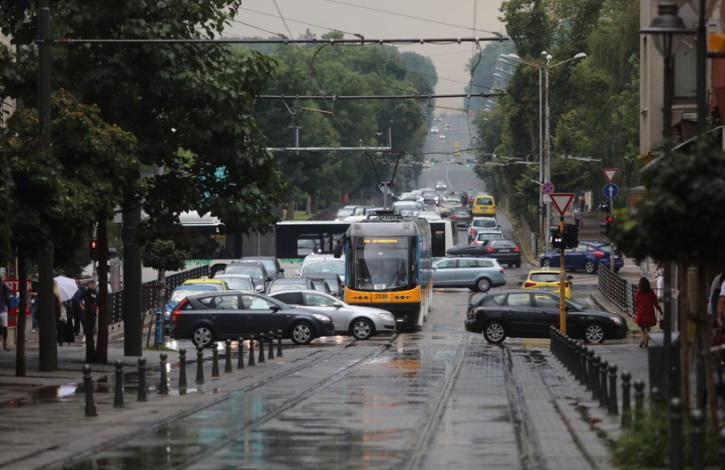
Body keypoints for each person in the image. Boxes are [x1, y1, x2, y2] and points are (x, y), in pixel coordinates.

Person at [634, 276, 662, 348]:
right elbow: (655, 302)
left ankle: (642, 339)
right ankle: (646, 342)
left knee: (642, 328)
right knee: (648, 328)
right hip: (649, 311)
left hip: (641, 311)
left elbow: (636, 302)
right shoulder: (651, 292)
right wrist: (660, 310)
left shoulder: (638, 292)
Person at [54, 281, 75, 346]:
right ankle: (62, 340)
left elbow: (68, 303)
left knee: (63, 327)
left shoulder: (59, 293)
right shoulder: (57, 293)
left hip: (64, 313)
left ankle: (63, 341)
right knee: (62, 327)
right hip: (62, 313)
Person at [81, 279, 98, 347]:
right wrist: (82, 307)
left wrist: (97, 310)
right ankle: (85, 336)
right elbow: (80, 299)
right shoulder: (86, 292)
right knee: (86, 324)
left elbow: (98, 302)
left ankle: (90, 337)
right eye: (90, 285)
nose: (92, 286)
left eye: (93, 285)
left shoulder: (96, 293)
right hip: (87, 311)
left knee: (92, 324)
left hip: (93, 311)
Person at [0, 275, 11, 350]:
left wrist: (3, 281)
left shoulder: (3, 285)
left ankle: (4, 343)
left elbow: (10, 288)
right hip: (3, 309)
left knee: (5, 327)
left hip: (3, 309)